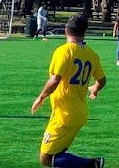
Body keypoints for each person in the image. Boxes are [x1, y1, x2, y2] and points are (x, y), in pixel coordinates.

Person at [31, 12, 106, 168]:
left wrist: (41, 97)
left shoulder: (63, 51)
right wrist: (95, 89)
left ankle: (93, 164)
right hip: (80, 113)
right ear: (84, 33)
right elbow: (101, 80)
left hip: (63, 115)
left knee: (46, 158)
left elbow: (55, 79)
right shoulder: (92, 54)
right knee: (60, 155)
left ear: (66, 30)